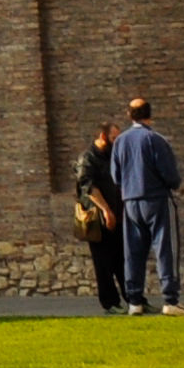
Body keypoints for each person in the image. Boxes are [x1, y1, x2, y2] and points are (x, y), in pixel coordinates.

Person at [111, 94, 184, 315]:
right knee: (165, 249)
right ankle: (170, 300)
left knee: (133, 252)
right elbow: (170, 174)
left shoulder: (120, 142)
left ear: (129, 115)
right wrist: (172, 183)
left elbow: (115, 176)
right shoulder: (156, 140)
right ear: (150, 114)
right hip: (156, 199)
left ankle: (134, 301)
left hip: (130, 201)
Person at [74, 123, 127, 312]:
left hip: (117, 215)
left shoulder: (112, 157)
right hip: (97, 218)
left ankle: (132, 298)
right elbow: (88, 187)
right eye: (114, 138)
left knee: (122, 259)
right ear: (103, 137)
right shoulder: (88, 158)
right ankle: (110, 302)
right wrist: (106, 210)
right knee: (103, 262)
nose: (117, 142)